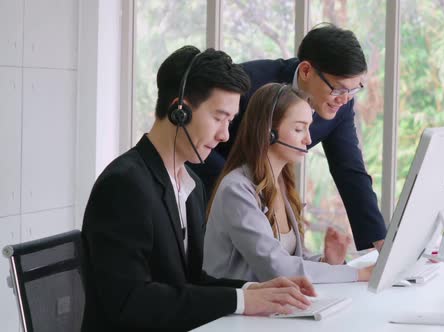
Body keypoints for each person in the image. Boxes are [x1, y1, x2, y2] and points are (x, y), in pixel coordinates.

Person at [81, 46, 316, 332]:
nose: (225, 135)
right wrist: (242, 301)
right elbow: (131, 301)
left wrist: (257, 290)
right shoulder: (124, 186)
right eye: (219, 118)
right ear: (179, 110)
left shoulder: (191, 185)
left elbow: (191, 282)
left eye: (230, 121)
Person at [191, 24, 386, 251]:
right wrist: (242, 192)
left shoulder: (339, 105)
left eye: (354, 89)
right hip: (210, 194)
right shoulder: (249, 84)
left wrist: (380, 244)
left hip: (268, 206)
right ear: (305, 71)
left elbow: (350, 171)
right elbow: (195, 140)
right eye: (339, 89)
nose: (344, 99)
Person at [203, 83, 373, 283]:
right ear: (269, 133)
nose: (308, 139)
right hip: (237, 310)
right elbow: (275, 267)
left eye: (308, 128)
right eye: (299, 129)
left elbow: (291, 261)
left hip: (274, 306)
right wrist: (358, 274)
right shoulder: (236, 190)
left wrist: (328, 261)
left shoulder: (282, 185)